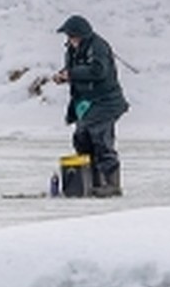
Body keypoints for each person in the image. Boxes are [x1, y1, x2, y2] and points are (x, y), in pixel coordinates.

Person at [53, 14, 129, 196]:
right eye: (68, 36)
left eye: (72, 36)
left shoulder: (98, 47)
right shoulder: (72, 50)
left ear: (81, 35)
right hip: (85, 104)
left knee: (101, 140)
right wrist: (63, 75)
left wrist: (71, 74)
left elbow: (98, 70)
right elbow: (75, 69)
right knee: (82, 139)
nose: (70, 40)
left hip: (105, 102)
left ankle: (111, 184)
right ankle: (92, 181)